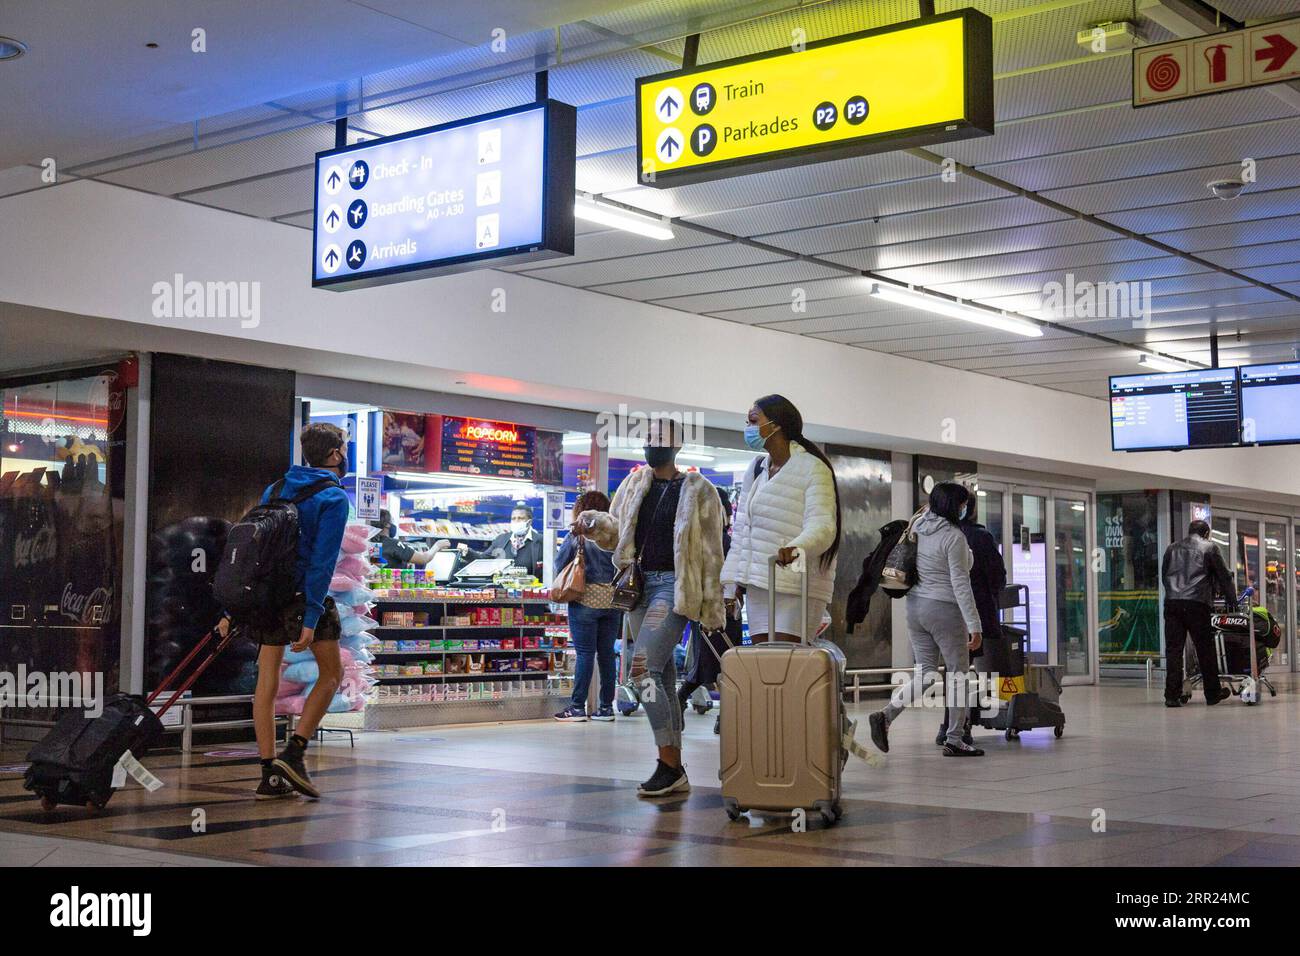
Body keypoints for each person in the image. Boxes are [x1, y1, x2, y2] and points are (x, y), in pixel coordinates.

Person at [218, 423, 351, 799]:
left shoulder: (275, 488)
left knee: (266, 680)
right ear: (336, 454)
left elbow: (254, 551)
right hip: (302, 597)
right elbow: (322, 564)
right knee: (331, 674)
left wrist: (234, 607)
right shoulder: (333, 498)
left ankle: (268, 774)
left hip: (265, 596)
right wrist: (310, 617)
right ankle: (294, 753)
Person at [609, 418, 725, 797]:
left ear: (677, 446)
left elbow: (711, 552)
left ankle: (668, 763)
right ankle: (674, 767)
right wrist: (592, 525)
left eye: (659, 440)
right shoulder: (634, 483)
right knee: (660, 675)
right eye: (648, 439)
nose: (651, 445)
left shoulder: (699, 490)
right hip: (637, 586)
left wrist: (712, 605)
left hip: (674, 588)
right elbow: (615, 532)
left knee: (642, 672)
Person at [869, 482, 985, 757]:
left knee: (926, 673)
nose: (964, 508)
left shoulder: (918, 524)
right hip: (944, 609)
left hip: (914, 608)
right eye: (962, 503)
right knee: (958, 675)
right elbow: (960, 582)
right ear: (956, 506)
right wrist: (975, 625)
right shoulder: (953, 536)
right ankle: (955, 738)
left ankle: (886, 715)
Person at [721, 395, 840, 643]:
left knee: (788, 663)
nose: (749, 428)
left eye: (754, 420)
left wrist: (798, 547)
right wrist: (731, 584)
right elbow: (742, 531)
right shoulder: (756, 469)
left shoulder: (812, 467)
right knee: (765, 667)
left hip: (797, 583)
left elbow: (824, 526)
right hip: (759, 585)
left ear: (776, 425)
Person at [936, 494, 1006, 745]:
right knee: (962, 671)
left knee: (951, 670)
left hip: (937, 611)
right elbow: (998, 578)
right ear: (969, 510)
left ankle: (947, 726)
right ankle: (958, 727)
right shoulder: (980, 537)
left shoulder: (936, 534)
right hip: (970, 613)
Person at [553, 491, 622, 722]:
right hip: (612, 602)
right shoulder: (616, 534)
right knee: (607, 655)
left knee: (584, 654)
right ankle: (605, 708)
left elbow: (560, 563)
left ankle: (577, 707)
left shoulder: (578, 535)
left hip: (585, 601)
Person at [1162, 519, 1236, 707]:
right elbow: (1224, 576)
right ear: (1206, 534)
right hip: (1197, 603)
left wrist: (1174, 593)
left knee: (1173, 650)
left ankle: (1172, 695)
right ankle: (1212, 693)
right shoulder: (1209, 548)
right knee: (1205, 648)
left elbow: (1165, 575)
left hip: (1172, 603)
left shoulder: (1172, 548)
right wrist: (1232, 602)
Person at [459, 504, 544, 580]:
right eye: (513, 518)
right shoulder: (501, 540)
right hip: (503, 592)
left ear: (529, 522)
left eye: (520, 518)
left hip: (531, 592)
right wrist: (467, 552)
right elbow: (484, 559)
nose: (516, 521)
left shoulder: (541, 541)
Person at [370, 509, 450, 570]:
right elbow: (423, 558)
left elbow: (378, 566)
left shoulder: (373, 543)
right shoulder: (393, 544)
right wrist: (437, 545)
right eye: (391, 521)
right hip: (391, 588)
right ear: (387, 524)